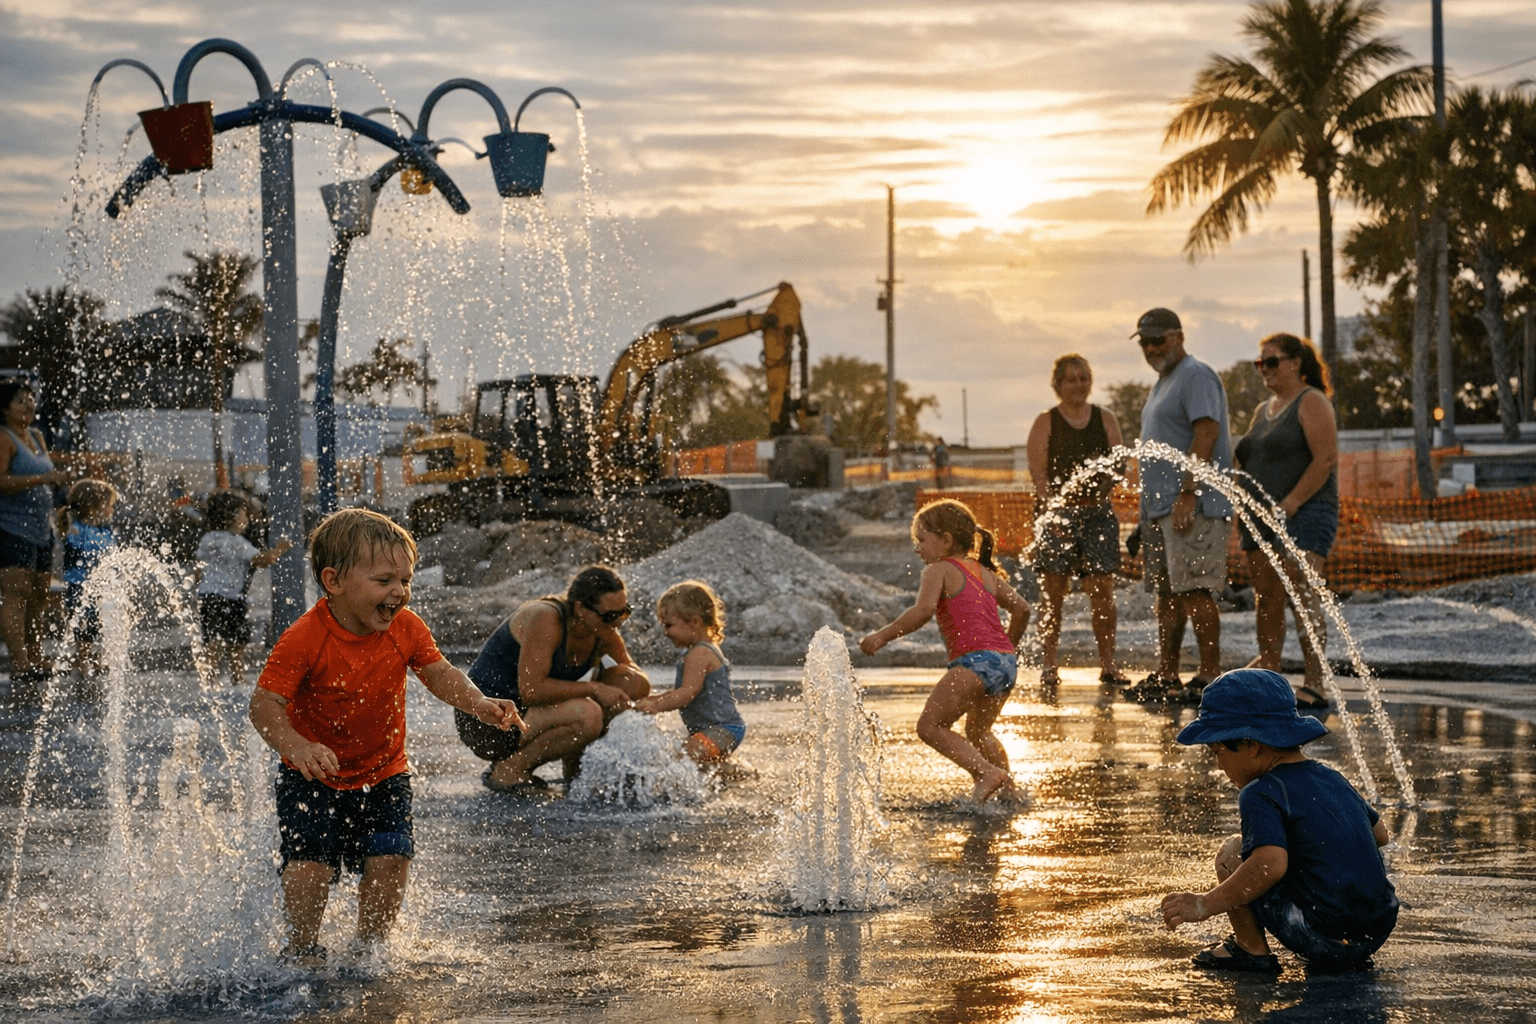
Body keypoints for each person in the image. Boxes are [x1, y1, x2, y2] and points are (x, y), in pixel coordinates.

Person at [248, 508, 524, 960]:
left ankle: (370, 951)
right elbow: (264, 705)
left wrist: (479, 702)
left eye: (405, 580)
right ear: (334, 582)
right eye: (384, 581)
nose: (399, 592)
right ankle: (301, 950)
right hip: (312, 774)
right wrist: (296, 746)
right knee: (310, 864)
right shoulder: (304, 637)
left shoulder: (406, 627)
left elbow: (439, 674)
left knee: (392, 857)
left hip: (385, 772)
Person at [1159, 668, 1397, 973]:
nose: (1217, 764)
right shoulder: (1332, 777)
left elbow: (1270, 865)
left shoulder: (1260, 792)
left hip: (1321, 937)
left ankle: (1250, 948)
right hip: (1374, 932)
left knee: (1234, 852)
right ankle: (1340, 935)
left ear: (1251, 745)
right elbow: (1380, 836)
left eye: (1217, 751)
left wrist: (1204, 904)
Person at [859, 499, 1032, 805]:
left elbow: (923, 610)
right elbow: (1022, 608)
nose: (917, 549)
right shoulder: (985, 572)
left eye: (922, 540)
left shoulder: (938, 569)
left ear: (946, 540)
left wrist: (882, 636)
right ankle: (1009, 792)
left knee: (930, 726)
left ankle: (985, 774)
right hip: (1004, 664)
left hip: (975, 661)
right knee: (980, 732)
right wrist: (1006, 649)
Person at [456, 565, 652, 797]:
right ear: (580, 608)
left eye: (625, 612)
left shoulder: (602, 630)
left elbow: (635, 681)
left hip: (525, 715)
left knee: (628, 685)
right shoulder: (547, 618)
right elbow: (532, 691)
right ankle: (510, 771)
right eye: (610, 615)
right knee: (588, 714)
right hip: (486, 721)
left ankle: (576, 769)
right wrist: (595, 687)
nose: (618, 622)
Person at [1123, 308, 1233, 705]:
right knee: (1167, 594)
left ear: (1178, 337)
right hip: (1159, 509)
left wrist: (1189, 492)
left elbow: (1207, 431)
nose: (1151, 349)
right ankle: (1167, 675)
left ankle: (1209, 677)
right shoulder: (1162, 383)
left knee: (1196, 591)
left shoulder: (1196, 375)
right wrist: (1144, 515)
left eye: (1158, 340)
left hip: (1192, 505)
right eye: (1145, 342)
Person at [1234, 333, 1338, 711]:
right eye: (1259, 363)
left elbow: (1325, 458)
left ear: (1295, 363)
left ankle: (1315, 683)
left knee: (1302, 594)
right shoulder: (1264, 409)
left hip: (1305, 513)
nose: (1264, 370)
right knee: (1267, 599)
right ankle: (1271, 677)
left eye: (1271, 362)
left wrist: (1291, 503)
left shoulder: (1311, 402)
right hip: (1260, 518)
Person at [1025, 354, 1130, 688]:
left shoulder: (1105, 418)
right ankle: (1049, 664)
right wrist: (1052, 510)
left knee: (1102, 591)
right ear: (1058, 385)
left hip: (1097, 513)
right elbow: (1039, 474)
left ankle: (1109, 663)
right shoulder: (1046, 421)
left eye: (1083, 378)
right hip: (1057, 513)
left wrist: (1104, 487)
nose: (1078, 385)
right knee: (1053, 593)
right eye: (1071, 379)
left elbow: (1118, 463)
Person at [0, 381, 71, 691]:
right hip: (10, 527)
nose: (28, 406)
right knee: (16, 594)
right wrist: (42, 477)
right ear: (4, 408)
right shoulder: (4, 439)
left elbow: (50, 481)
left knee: (40, 595)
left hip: (42, 528)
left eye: (30, 400)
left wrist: (60, 502)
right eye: (20, 402)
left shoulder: (39, 437)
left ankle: (37, 657)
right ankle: (19, 663)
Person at [635, 579, 746, 766]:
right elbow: (682, 691)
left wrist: (657, 706)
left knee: (690, 753)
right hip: (718, 729)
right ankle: (737, 773)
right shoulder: (703, 649)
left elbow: (687, 694)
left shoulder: (699, 653)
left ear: (694, 621)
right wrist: (652, 700)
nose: (665, 632)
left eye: (669, 625)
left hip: (723, 729)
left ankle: (737, 772)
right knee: (705, 766)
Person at [196, 490, 293, 686]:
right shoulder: (237, 542)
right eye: (243, 515)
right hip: (231, 598)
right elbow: (263, 560)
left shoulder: (208, 539)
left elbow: (198, 566)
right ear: (231, 518)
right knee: (236, 642)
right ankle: (237, 677)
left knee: (213, 640)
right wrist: (281, 548)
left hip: (207, 596)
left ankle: (207, 678)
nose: (247, 520)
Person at [58, 478, 117, 682]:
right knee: (83, 623)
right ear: (93, 507)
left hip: (100, 585)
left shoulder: (105, 530)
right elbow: (82, 551)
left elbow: (112, 554)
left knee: (96, 623)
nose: (111, 510)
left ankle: (89, 656)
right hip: (79, 585)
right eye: (108, 506)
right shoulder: (76, 529)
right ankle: (82, 658)